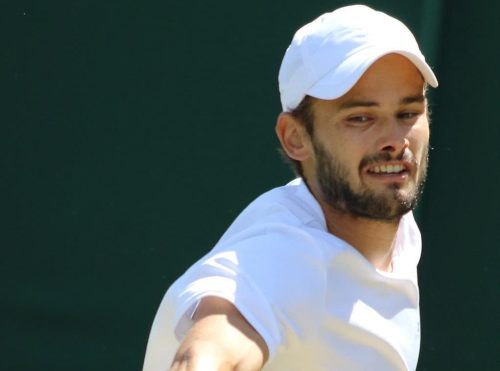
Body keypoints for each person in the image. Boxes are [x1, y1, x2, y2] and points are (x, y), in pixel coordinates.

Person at [143, 4, 438, 371]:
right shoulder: (287, 250)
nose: (395, 140)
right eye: (360, 118)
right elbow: (204, 358)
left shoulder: (400, 236)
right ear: (295, 137)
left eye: (408, 113)